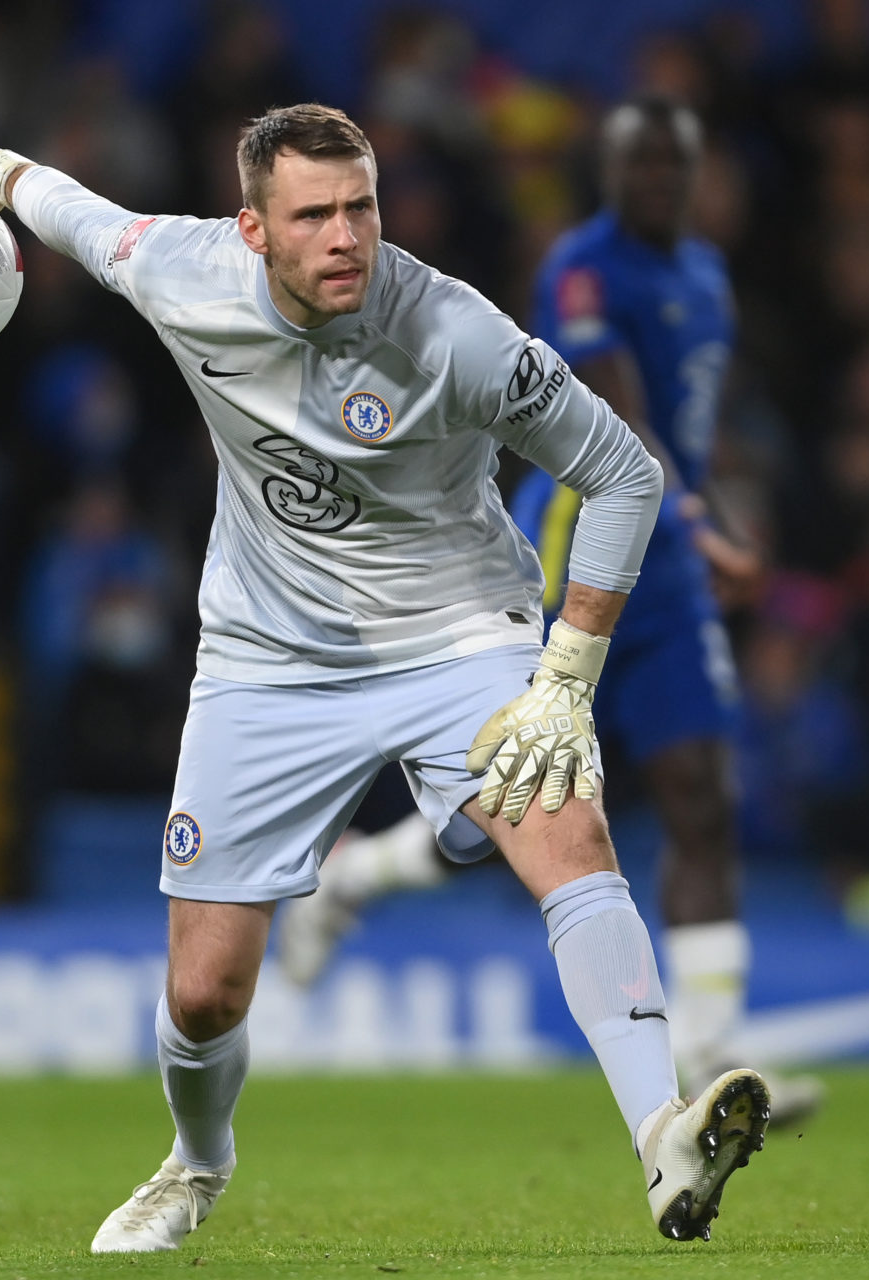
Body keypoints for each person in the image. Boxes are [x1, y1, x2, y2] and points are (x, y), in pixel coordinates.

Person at [0, 104, 770, 1252]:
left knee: (568, 832)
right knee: (205, 991)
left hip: (458, 633)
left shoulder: (454, 331)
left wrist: (565, 673)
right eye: (315, 216)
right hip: (268, 654)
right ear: (253, 229)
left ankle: (663, 1132)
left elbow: (623, 475)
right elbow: (65, 209)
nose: (348, 236)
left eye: (363, 207)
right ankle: (196, 1164)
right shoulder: (179, 270)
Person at [277, 98, 822, 1122]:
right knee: (508, 813)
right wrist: (702, 522)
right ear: (607, 172)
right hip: (576, 546)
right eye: (639, 163)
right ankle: (354, 878)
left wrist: (707, 513)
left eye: (675, 163)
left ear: (698, 172)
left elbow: (692, 423)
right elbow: (614, 412)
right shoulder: (583, 269)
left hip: (674, 570)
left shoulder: (705, 275)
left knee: (702, 792)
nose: (658, 180)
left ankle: (714, 1056)